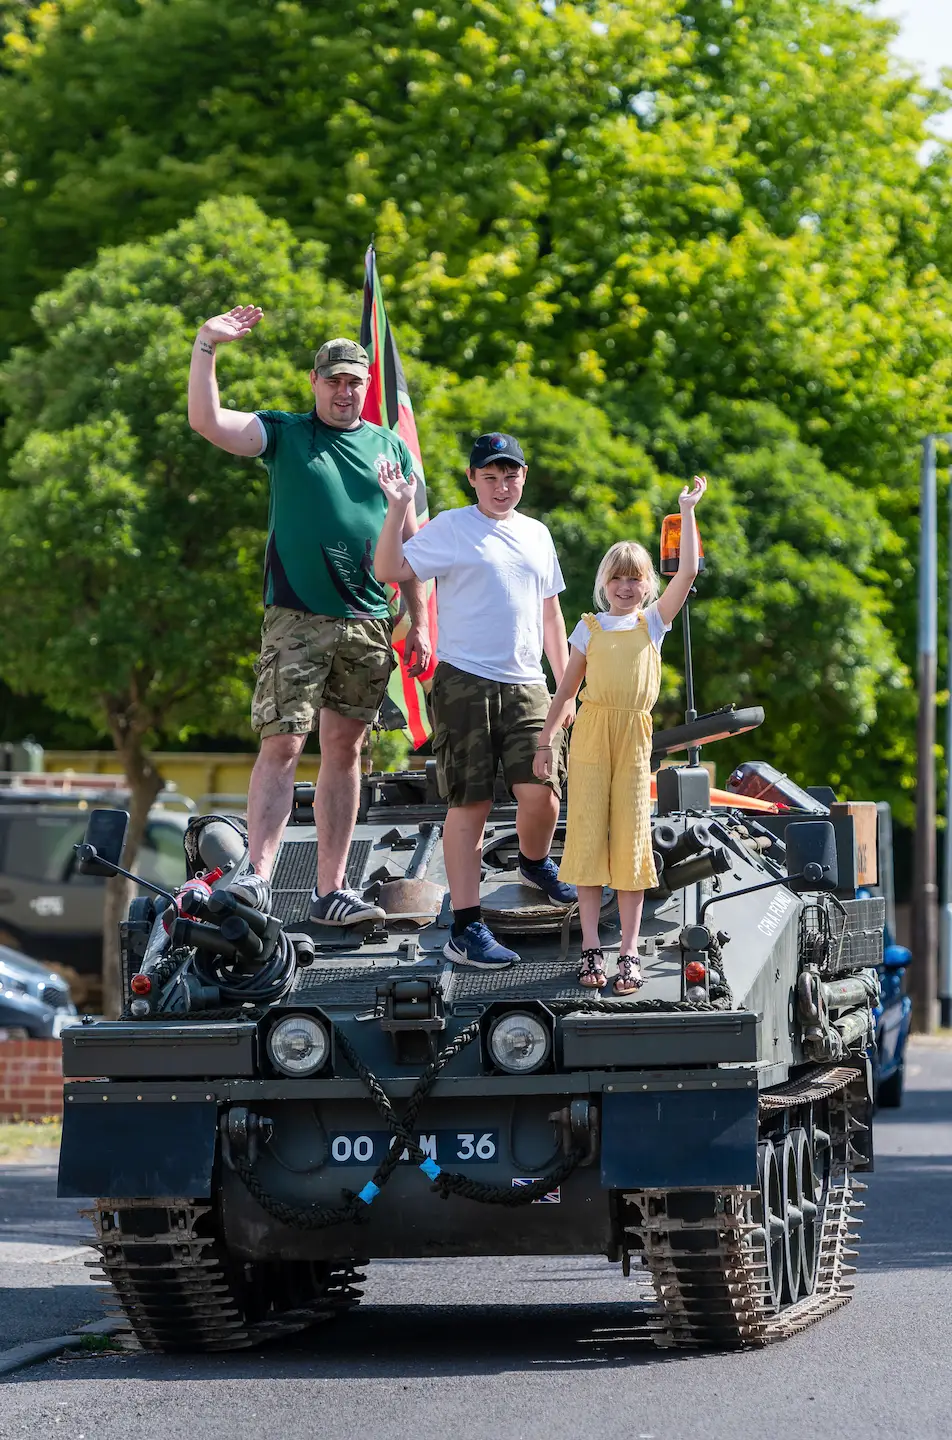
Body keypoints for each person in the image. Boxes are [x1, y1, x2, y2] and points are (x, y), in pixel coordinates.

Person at [187, 305, 431, 924]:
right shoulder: (288, 434)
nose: (345, 391)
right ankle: (258, 878)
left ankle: (330, 891)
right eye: (334, 381)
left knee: (345, 750)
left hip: (370, 620)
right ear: (315, 384)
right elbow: (208, 422)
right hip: (298, 615)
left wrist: (420, 620)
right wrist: (207, 346)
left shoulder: (390, 447)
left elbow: (409, 546)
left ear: (366, 386)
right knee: (283, 743)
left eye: (355, 381)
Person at [373, 433, 576, 970]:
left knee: (543, 797)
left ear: (523, 476)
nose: (501, 486)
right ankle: (468, 926)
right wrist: (398, 509)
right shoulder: (453, 527)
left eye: (510, 475)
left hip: (530, 682)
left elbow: (551, 613)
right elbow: (389, 569)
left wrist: (564, 686)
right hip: (463, 680)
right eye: (490, 476)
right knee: (471, 806)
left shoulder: (537, 534)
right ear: (473, 480)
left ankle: (534, 864)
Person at [533, 476, 708, 993]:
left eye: (635, 580)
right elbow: (564, 691)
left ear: (647, 585)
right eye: (617, 580)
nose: (626, 588)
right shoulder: (587, 627)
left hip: (632, 738)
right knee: (585, 842)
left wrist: (686, 510)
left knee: (631, 845)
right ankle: (591, 950)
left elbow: (691, 569)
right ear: (604, 584)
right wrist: (546, 742)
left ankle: (628, 952)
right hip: (587, 736)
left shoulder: (652, 623)